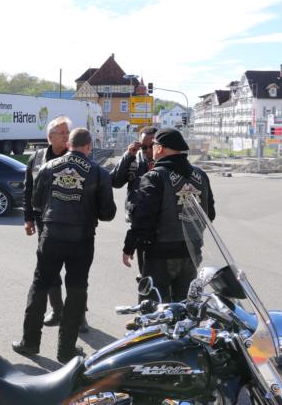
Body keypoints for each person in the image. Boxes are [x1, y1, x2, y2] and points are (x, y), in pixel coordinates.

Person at [13, 128, 116, 363]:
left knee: (40, 286)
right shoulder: (98, 172)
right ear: (89, 146)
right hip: (82, 239)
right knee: (76, 291)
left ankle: (29, 342)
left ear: (69, 144)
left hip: (51, 235)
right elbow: (108, 213)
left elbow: (36, 202)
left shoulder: (49, 167)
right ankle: (66, 350)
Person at [123, 127, 215, 303]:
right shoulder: (201, 175)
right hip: (191, 252)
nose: (151, 149)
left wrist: (129, 246)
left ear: (160, 148)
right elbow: (209, 214)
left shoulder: (155, 176)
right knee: (184, 307)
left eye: (153, 145)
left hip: (160, 254)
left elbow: (143, 219)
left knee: (153, 308)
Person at [23, 116, 72, 329]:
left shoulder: (75, 158)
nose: (67, 136)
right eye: (62, 133)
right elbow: (28, 190)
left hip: (72, 223)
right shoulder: (36, 158)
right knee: (49, 269)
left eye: (68, 132)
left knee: (74, 271)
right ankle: (58, 310)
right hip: (44, 222)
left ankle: (79, 315)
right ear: (50, 136)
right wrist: (28, 219)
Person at [110, 126, 157, 273]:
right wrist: (127, 156)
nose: (148, 150)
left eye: (151, 146)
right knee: (145, 273)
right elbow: (115, 182)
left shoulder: (165, 161)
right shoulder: (134, 160)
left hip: (162, 224)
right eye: (144, 147)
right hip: (139, 223)